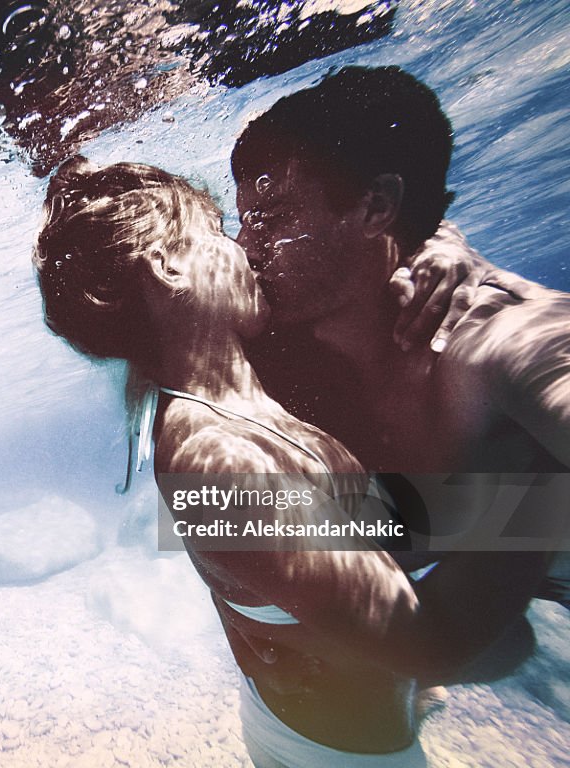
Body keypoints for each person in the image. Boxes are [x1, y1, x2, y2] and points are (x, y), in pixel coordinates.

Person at [33, 156, 483, 766]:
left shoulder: (223, 396)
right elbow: (430, 640)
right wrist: (539, 519)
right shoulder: (210, 461)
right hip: (339, 755)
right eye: (217, 231)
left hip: (330, 721)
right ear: (168, 268)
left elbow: (344, 524)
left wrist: (443, 248)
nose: (244, 246)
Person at [231, 66, 570, 681]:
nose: (244, 246)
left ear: (378, 206)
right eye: (245, 218)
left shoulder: (491, 337)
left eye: (271, 216)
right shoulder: (278, 327)